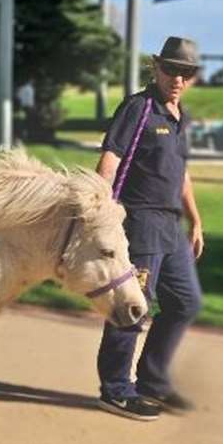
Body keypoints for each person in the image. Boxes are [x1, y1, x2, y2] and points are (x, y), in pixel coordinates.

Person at [94, 36, 205, 421]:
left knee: (185, 302)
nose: (177, 78)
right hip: (139, 223)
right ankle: (116, 390)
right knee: (132, 307)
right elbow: (110, 159)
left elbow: (182, 172)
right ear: (156, 68)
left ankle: (152, 383)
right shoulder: (138, 108)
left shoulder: (180, 117)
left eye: (185, 72)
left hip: (172, 226)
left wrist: (195, 218)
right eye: (171, 69)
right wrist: (100, 211)